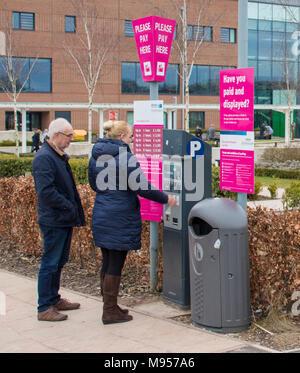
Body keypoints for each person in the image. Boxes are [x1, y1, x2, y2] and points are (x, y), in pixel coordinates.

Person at [88, 120, 177, 325]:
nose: (132, 140)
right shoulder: (126, 157)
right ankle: (109, 311)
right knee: (116, 263)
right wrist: (166, 198)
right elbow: (142, 187)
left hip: (102, 212)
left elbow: (94, 184)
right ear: (121, 138)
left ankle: (109, 305)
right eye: (130, 137)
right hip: (120, 216)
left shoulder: (96, 155)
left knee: (108, 259)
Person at [32, 118, 86, 322]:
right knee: (50, 262)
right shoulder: (44, 157)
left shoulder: (56, 155)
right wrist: (68, 205)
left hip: (62, 218)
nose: (71, 140)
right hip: (54, 219)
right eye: (68, 136)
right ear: (56, 135)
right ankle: (45, 306)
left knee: (59, 261)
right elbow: (46, 192)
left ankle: (53, 298)